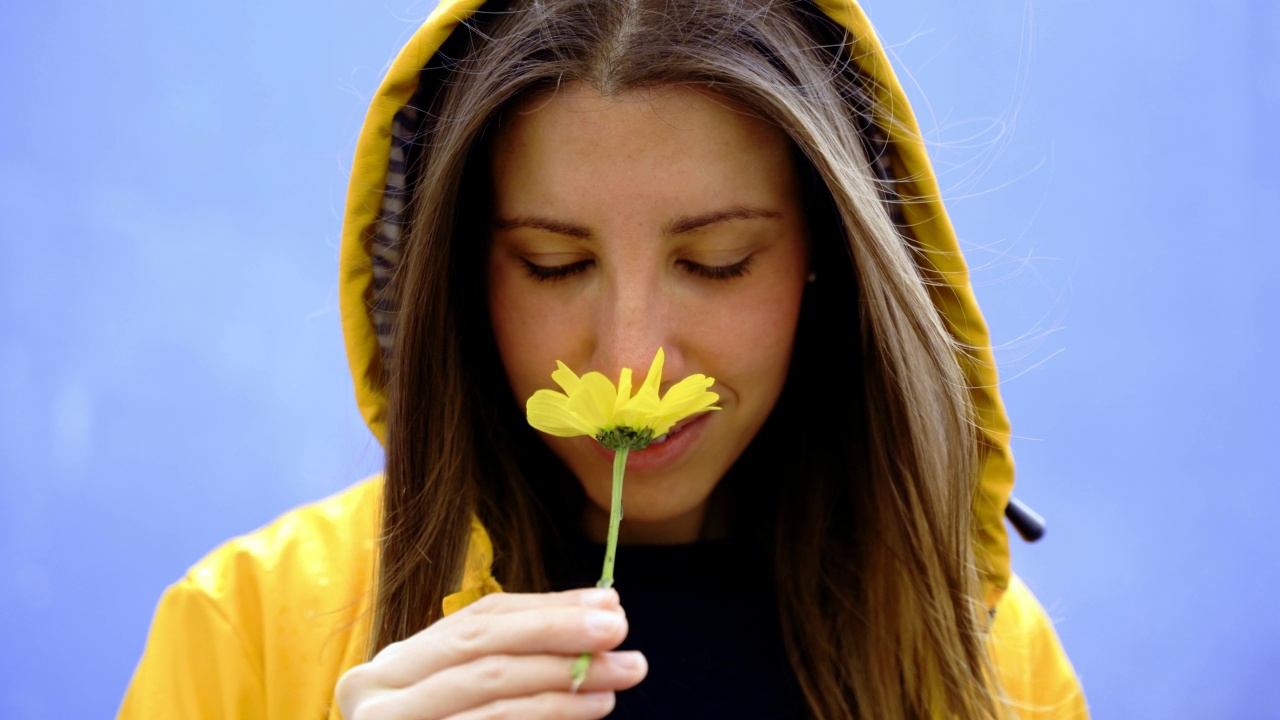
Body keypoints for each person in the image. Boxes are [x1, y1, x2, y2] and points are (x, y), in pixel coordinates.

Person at [120, 0, 1088, 717]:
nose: (633, 362)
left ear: (824, 258)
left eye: (715, 264)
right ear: (460, 273)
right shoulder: (246, 625)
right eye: (554, 266)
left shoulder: (979, 659)